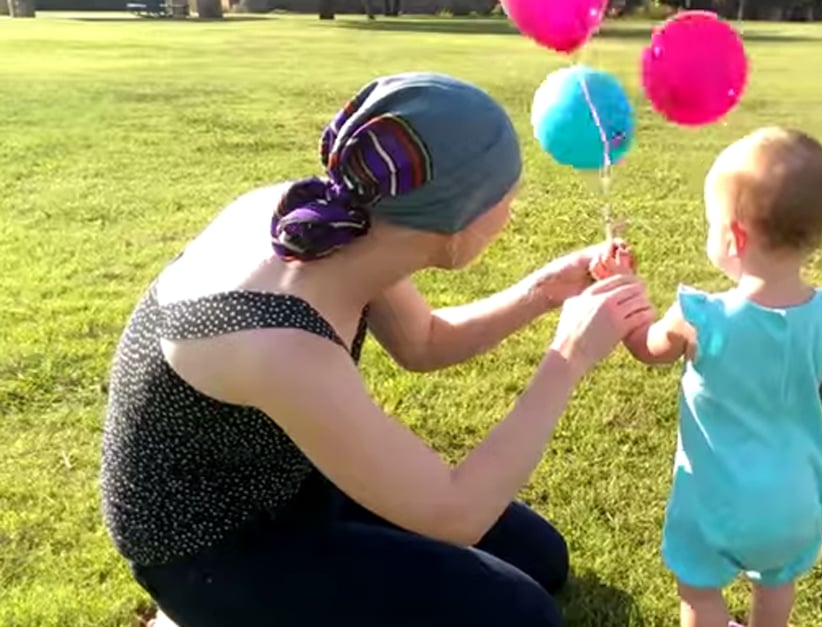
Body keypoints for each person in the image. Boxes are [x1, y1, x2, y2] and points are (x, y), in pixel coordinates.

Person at [99, 72, 655, 627]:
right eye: (505, 197)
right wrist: (569, 355)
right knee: (521, 616)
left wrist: (544, 291)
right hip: (210, 548)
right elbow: (454, 512)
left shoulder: (345, 222)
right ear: (456, 223)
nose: (511, 209)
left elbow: (423, 341)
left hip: (282, 477)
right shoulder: (276, 341)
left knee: (540, 558)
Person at [619, 127, 822, 627]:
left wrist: (624, 287)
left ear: (734, 236)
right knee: (776, 582)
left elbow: (645, 348)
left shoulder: (698, 316)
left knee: (699, 589)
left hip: (713, 502)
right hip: (794, 505)